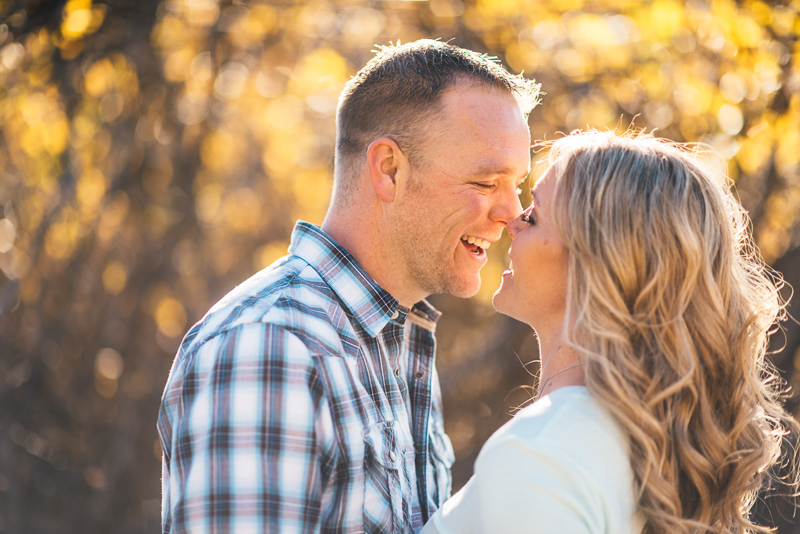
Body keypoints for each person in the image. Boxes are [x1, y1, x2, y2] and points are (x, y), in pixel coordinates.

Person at [157, 40, 540, 533]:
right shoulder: (272, 346)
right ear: (389, 169)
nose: (511, 213)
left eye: (518, 185)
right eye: (487, 182)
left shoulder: (398, 340)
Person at [422, 130, 799, 534]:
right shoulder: (652, 454)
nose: (510, 222)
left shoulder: (542, 456)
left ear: (595, 265)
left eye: (532, 217)